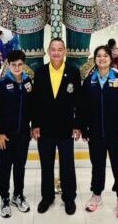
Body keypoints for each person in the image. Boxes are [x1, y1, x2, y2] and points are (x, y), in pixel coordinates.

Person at [81, 45, 118, 219]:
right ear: (94, 59)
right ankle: (96, 195)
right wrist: (85, 129)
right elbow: (83, 108)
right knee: (97, 166)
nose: (102, 58)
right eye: (99, 56)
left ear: (110, 58)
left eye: (105, 55)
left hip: (116, 135)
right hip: (95, 134)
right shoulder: (89, 81)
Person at [31, 38, 81, 215]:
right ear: (48, 51)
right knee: (46, 164)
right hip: (45, 128)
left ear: (65, 51)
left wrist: (77, 125)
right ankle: (47, 197)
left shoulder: (73, 72)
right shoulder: (40, 72)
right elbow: (35, 101)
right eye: (53, 49)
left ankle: (69, 197)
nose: (57, 53)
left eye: (60, 49)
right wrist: (35, 125)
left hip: (66, 127)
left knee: (67, 164)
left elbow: (78, 101)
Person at [0, 50, 33, 218]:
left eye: (20, 64)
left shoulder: (28, 83)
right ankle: (5, 198)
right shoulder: (1, 84)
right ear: (8, 64)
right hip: (5, 136)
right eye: (13, 64)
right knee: (5, 167)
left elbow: (32, 108)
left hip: (23, 134)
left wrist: (32, 126)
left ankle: (18, 195)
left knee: (20, 166)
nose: (17, 67)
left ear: (24, 64)